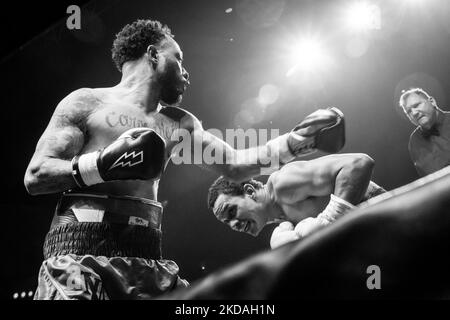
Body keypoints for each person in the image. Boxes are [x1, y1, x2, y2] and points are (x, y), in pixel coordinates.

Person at [23, 19, 345, 300]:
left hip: (146, 256)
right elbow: (36, 176)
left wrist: (295, 143)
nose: (186, 71)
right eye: (179, 58)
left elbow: (235, 164)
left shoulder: (179, 122)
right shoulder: (87, 102)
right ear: (153, 54)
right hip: (79, 253)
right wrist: (101, 165)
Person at [207, 154, 386, 249]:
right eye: (227, 222)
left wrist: (331, 220)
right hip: (375, 240)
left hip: (386, 214)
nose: (233, 225)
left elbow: (359, 163)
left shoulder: (282, 184)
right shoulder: (283, 224)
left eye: (231, 212)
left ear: (249, 191)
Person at [399, 87, 450, 177]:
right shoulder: (414, 141)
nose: (414, 113)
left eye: (416, 105)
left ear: (432, 101)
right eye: (409, 112)